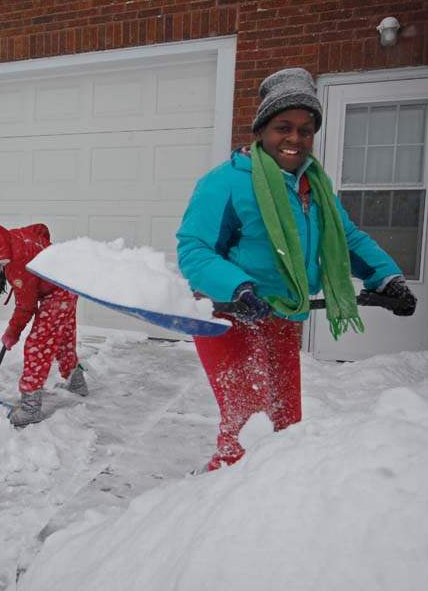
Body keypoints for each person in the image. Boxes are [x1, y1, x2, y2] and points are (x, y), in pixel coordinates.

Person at [176, 68, 417, 471]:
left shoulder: (314, 186)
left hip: (284, 315)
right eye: (283, 127)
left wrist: (387, 276)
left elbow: (347, 238)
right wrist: (237, 288)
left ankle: (274, 504)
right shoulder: (226, 182)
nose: (294, 139)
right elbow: (194, 249)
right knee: (248, 428)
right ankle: (221, 512)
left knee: (286, 425)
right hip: (231, 317)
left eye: (306, 130)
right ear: (262, 130)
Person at [0, 220, 87, 426]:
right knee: (63, 338)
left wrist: (13, 332)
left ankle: (31, 408)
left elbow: (26, 306)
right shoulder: (13, 238)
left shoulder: (18, 264)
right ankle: (77, 383)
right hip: (68, 282)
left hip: (58, 292)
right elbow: (40, 229)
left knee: (38, 345)